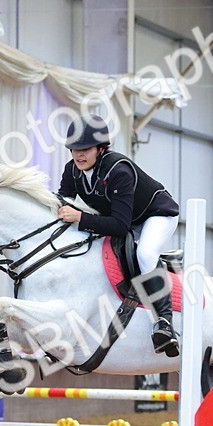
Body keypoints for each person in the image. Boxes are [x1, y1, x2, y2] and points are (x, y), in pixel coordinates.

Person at [56, 115, 181, 357]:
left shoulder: (118, 170)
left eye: (85, 149)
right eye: (74, 149)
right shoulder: (72, 170)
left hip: (156, 215)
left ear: (100, 149)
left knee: (145, 253)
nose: (79, 155)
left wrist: (81, 218)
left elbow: (120, 227)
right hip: (124, 219)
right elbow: (63, 203)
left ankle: (165, 323)